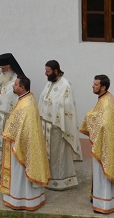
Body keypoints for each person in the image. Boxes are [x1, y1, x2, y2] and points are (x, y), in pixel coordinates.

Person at [81, 74, 114, 215]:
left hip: (105, 146)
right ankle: (103, 200)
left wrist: (89, 116)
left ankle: (104, 203)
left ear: (103, 87)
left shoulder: (107, 102)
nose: (92, 86)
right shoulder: (105, 99)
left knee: (103, 174)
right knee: (101, 174)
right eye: (93, 83)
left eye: (95, 85)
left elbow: (104, 124)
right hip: (103, 143)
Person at [0, 75, 50, 211]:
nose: (13, 86)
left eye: (15, 84)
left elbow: (23, 127)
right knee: (19, 173)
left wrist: (9, 134)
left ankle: (21, 199)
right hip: (19, 142)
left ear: (22, 87)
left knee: (20, 172)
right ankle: (21, 197)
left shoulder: (27, 104)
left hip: (20, 144)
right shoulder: (26, 99)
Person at [39, 60, 81, 190]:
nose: (45, 73)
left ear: (56, 71)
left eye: (48, 71)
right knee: (47, 153)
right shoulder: (49, 83)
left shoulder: (65, 86)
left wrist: (56, 118)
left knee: (58, 155)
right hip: (46, 126)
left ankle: (61, 180)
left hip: (57, 127)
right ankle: (47, 177)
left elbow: (67, 107)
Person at [0, 52, 24, 177]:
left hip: (7, 116)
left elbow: (10, 98)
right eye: (1, 68)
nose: (2, 70)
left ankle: (5, 168)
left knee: (5, 142)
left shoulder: (16, 79)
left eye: (4, 68)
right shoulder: (2, 76)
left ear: (10, 67)